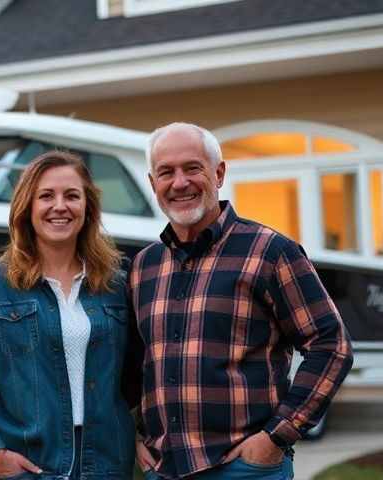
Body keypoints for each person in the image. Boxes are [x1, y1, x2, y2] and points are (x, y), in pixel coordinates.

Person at [127, 123, 354, 479]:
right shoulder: (145, 266)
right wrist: (137, 433)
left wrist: (276, 436)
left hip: (244, 468)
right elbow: (137, 361)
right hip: (164, 468)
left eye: (192, 168)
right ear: (153, 182)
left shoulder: (270, 251)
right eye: (166, 172)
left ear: (218, 173)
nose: (180, 182)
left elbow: (331, 345)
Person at [0, 151, 136, 479]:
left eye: (72, 196)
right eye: (46, 196)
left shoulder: (117, 284)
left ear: (87, 208)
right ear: (28, 207)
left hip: (108, 464)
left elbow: (138, 375)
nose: (60, 206)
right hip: (31, 464)